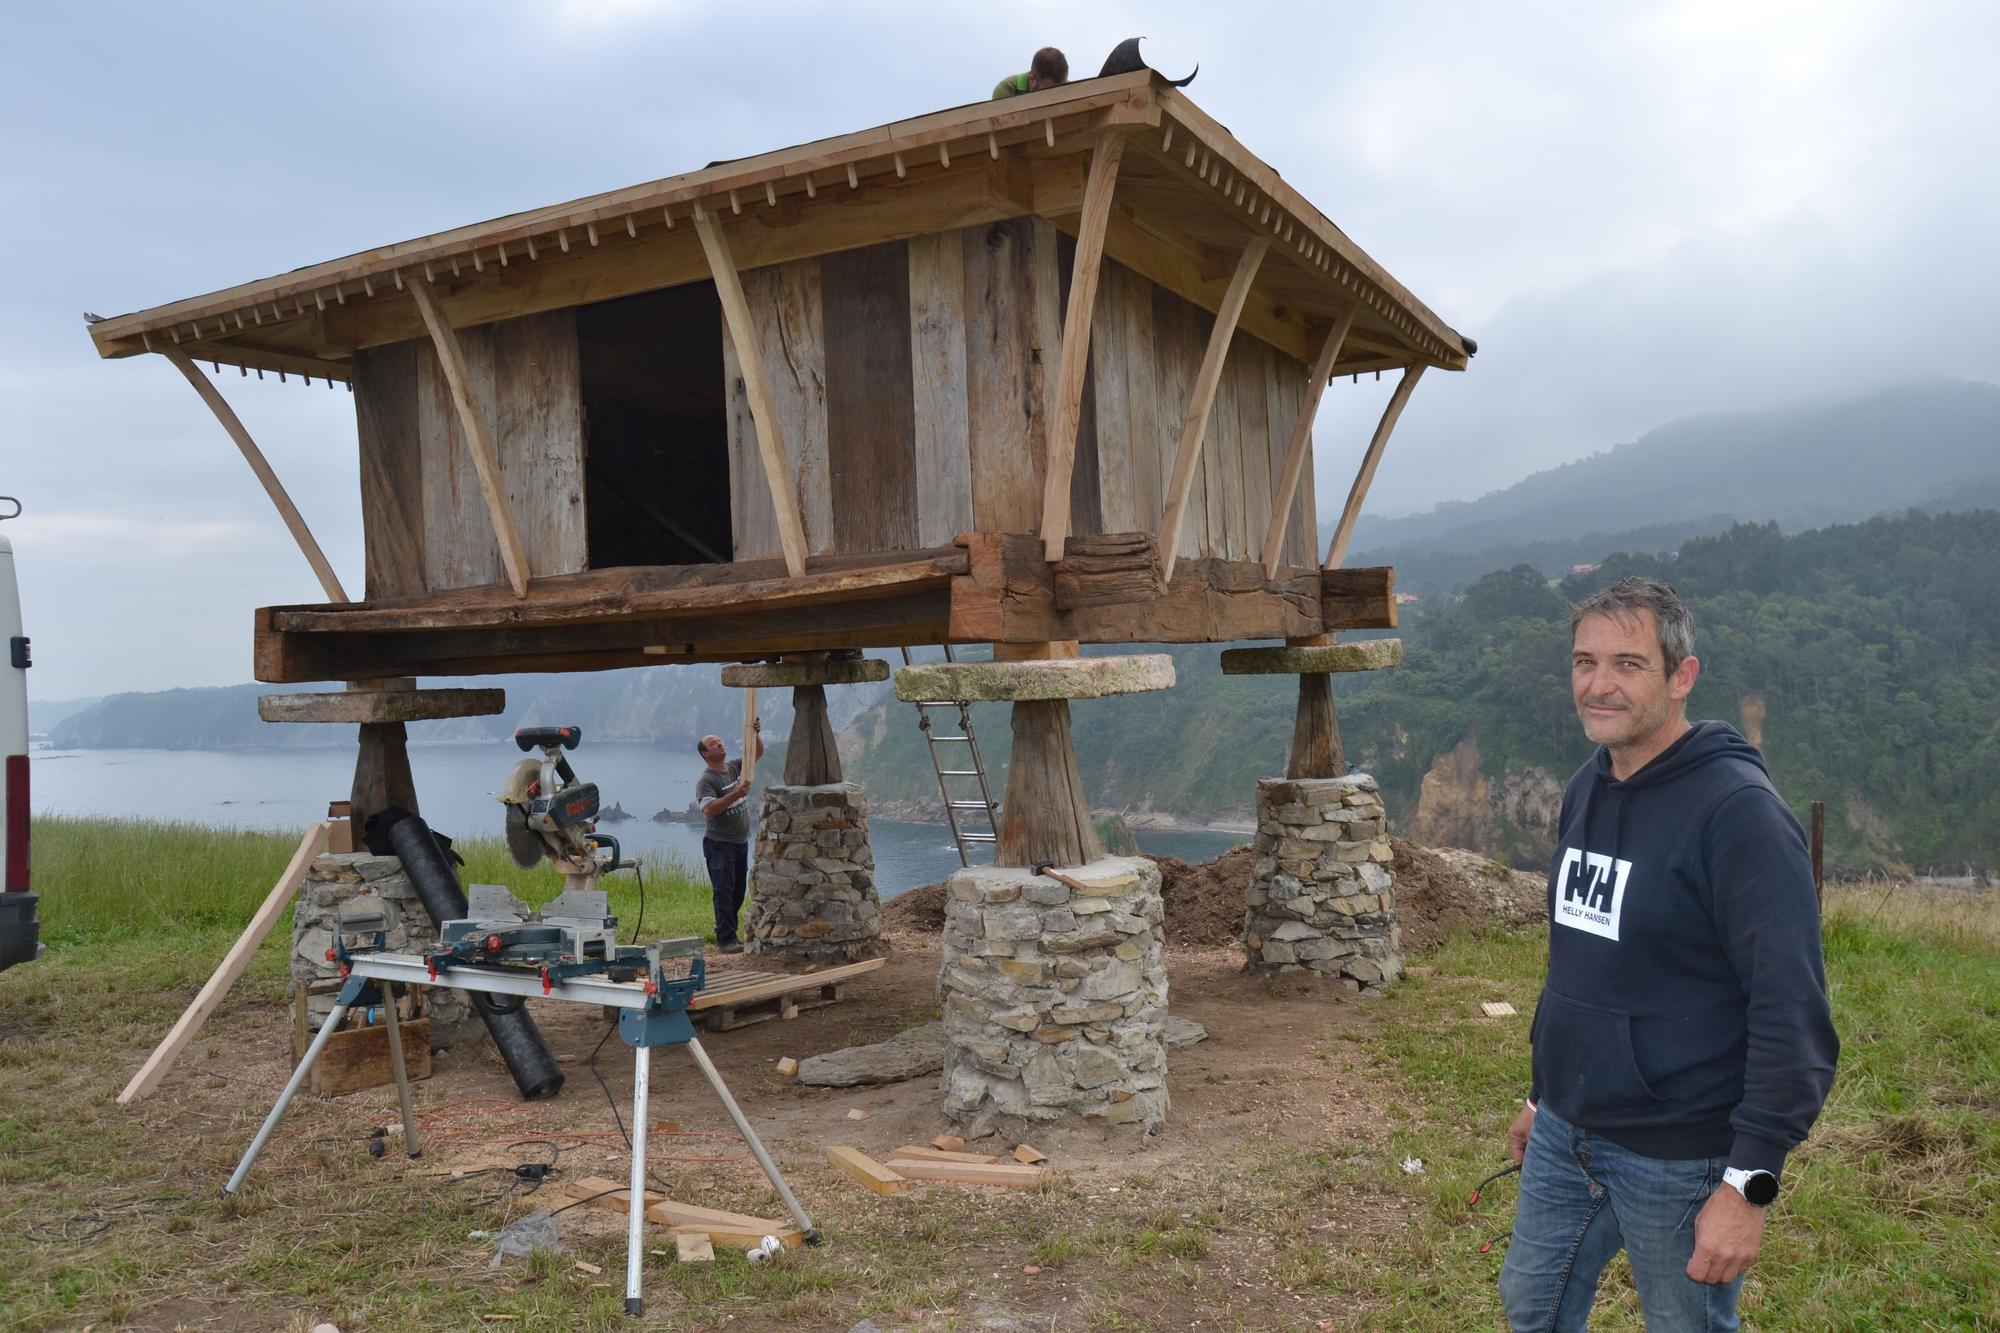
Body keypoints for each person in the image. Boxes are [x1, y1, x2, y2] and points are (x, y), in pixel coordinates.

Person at [1499, 577, 1838, 1331]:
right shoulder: (1588, 785)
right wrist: (1543, 1092)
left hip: (1680, 1150)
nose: (1599, 684)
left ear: (1681, 677)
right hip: (1567, 1133)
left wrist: (1748, 1183)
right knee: (1533, 1308)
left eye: (1627, 664)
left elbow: (1793, 1015)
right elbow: (1580, 962)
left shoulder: (1738, 814)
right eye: (1585, 661)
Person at [695, 718, 763, 953]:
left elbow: (756, 755)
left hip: (740, 842)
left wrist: (755, 735)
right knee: (723, 891)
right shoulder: (707, 780)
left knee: (736, 892)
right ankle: (725, 940)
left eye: (720, 741)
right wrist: (736, 794)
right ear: (705, 754)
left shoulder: (734, 767)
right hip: (719, 844)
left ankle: (729, 933)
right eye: (714, 744)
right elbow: (709, 809)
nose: (720, 744)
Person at [993, 47, 1068, 99]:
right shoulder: (1007, 91)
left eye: (1061, 89)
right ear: (1032, 80)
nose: (1055, 96)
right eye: (1049, 91)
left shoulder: (1070, 89)